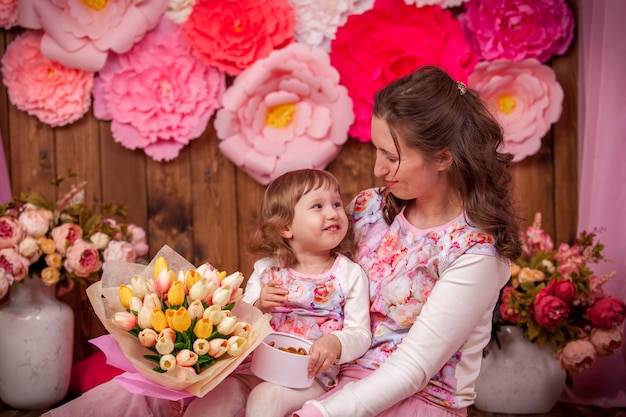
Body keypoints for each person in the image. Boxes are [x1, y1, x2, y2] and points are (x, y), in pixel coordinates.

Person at [291, 65, 523, 417]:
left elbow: (413, 367)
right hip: (330, 382)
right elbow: (312, 277)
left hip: (416, 401)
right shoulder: (370, 208)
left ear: (444, 157)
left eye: (393, 157)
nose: (378, 169)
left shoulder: (474, 250)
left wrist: (320, 414)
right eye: (377, 150)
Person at [182, 168, 372, 417]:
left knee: (266, 397)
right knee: (216, 395)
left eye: (337, 203)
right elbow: (236, 322)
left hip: (308, 378)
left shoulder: (349, 274)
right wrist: (258, 305)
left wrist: (336, 342)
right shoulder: (266, 270)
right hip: (254, 368)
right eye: (318, 206)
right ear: (285, 228)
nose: (333, 212)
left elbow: (360, 332)